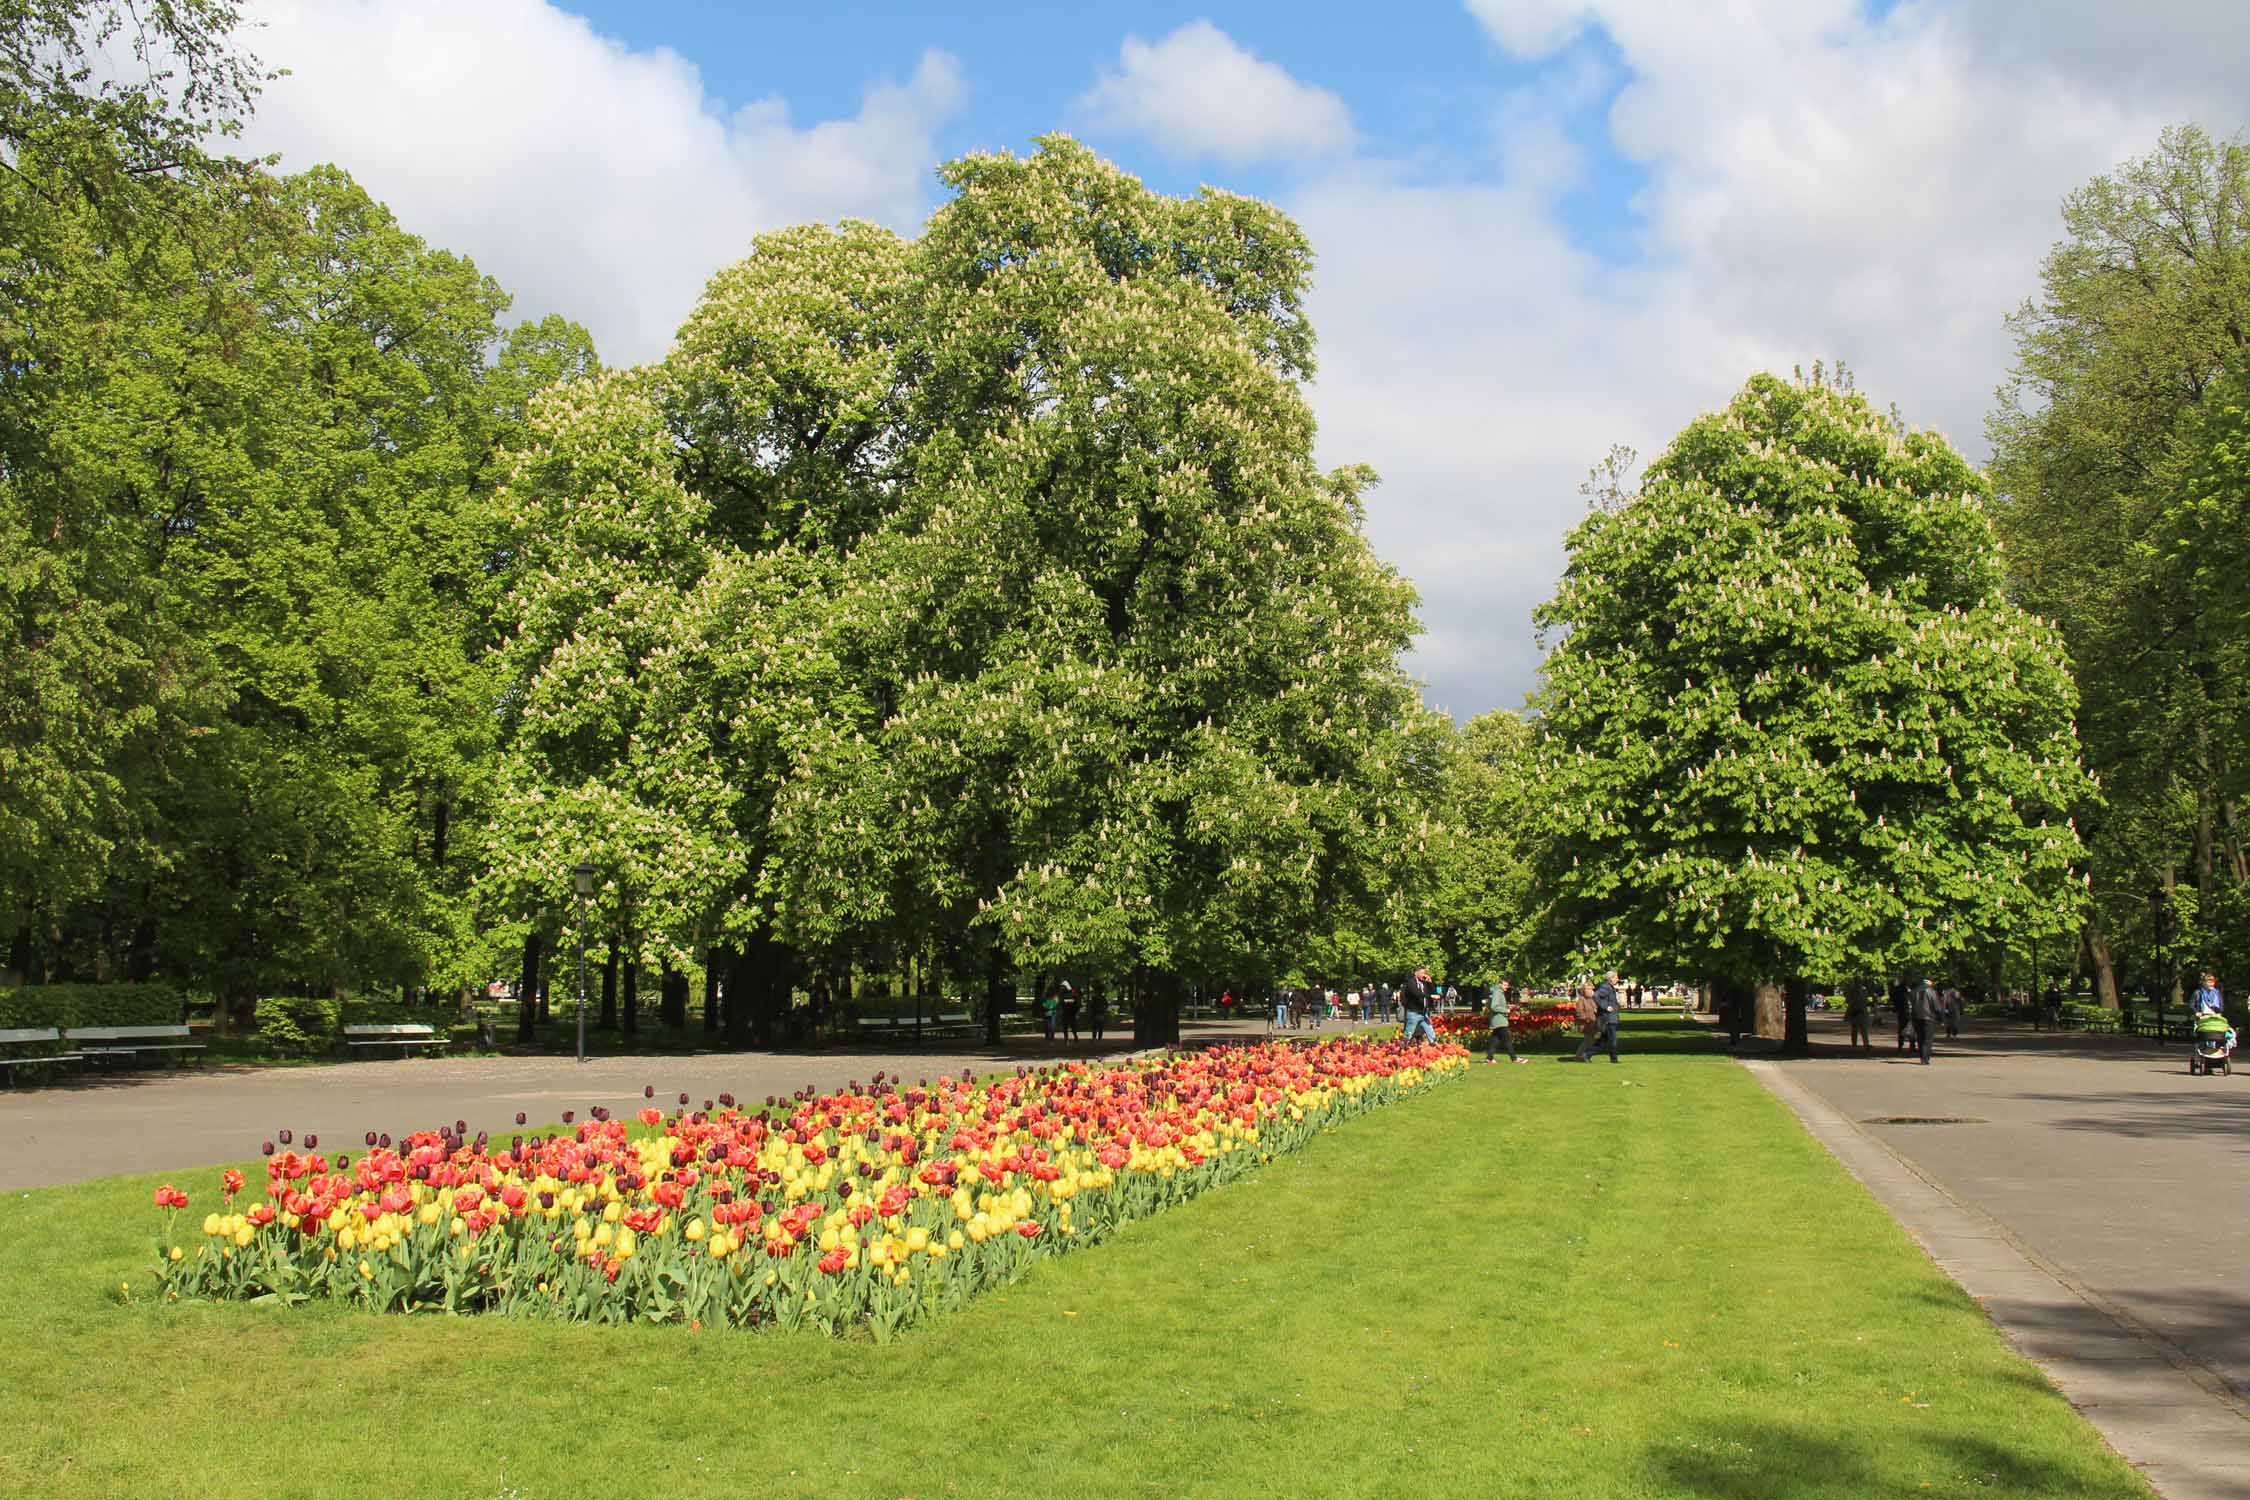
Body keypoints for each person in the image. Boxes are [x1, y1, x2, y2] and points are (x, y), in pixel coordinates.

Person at [1576, 970, 1621, 1063]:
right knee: (1613, 1039)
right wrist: (1606, 1007)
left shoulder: (1609, 987)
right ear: (1610, 978)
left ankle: (1587, 1054)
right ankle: (1614, 1058)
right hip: (1608, 1018)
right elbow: (1596, 995)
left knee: (1604, 1040)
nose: (1618, 979)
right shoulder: (1606, 987)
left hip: (1610, 1018)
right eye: (1616, 977)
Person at [1485, 979, 1525, 1065]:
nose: (1506, 986)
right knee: (1507, 1039)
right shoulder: (1497, 992)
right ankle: (1514, 1058)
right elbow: (1494, 1007)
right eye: (1505, 985)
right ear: (1500, 984)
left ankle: (1489, 1058)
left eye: (1507, 985)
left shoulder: (1499, 992)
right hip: (1499, 1020)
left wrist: (1508, 1006)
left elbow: (1497, 1005)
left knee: (1495, 1040)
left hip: (1498, 1020)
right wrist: (1506, 1010)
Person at [1399, 968, 1437, 1044]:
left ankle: (1434, 1044)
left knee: (1430, 1030)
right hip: (1414, 1012)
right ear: (1416, 973)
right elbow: (1416, 994)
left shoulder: (1424, 983)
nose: (1424, 975)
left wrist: (1430, 983)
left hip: (1423, 1012)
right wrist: (1430, 996)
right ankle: (1402, 1046)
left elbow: (1432, 992)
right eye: (1422, 973)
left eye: (1425, 973)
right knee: (1409, 1032)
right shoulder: (1410, 983)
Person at [1912, 976, 1940, 1065]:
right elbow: (1936, 1006)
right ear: (1930, 982)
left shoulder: (1914, 991)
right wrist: (1941, 1018)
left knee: (1920, 1038)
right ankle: (1926, 1058)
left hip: (1916, 1017)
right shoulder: (1931, 991)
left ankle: (1922, 1057)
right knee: (1928, 1039)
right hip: (1928, 1018)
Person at [1845, 983, 1872, 1052]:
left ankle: (1865, 1044)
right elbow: (1848, 1000)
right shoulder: (1853, 991)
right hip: (1855, 1012)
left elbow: (1865, 1001)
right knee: (1855, 1029)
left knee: (1863, 1029)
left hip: (1861, 1012)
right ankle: (1855, 1044)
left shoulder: (1863, 991)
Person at [1890, 981, 1912, 1053]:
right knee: (1910, 1029)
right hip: (1907, 1012)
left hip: (1902, 1012)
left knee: (1903, 1029)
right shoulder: (1907, 993)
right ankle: (1911, 1045)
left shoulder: (1899, 993)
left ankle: (1901, 1046)